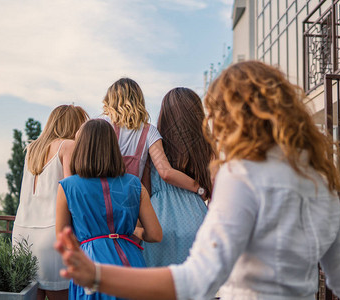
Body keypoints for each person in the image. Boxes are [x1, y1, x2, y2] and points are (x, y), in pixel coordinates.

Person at [55, 61, 340, 300]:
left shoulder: (242, 175)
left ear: (235, 117)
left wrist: (97, 275)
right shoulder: (319, 180)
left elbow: (197, 280)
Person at [55, 119, 162, 300]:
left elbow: (62, 238)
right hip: (132, 265)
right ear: (113, 147)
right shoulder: (134, 184)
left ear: (81, 148)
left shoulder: (67, 187)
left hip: (91, 266)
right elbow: (155, 234)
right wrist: (134, 231)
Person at [12, 104, 89, 300]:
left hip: (22, 235)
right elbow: (71, 189)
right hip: (53, 233)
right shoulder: (67, 146)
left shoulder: (31, 148)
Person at [143, 87, 214, 267]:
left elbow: (145, 188)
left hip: (158, 222)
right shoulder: (206, 148)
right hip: (197, 220)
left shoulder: (154, 145)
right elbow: (213, 194)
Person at [102, 78, 207, 198]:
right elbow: (166, 172)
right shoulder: (149, 132)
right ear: (139, 100)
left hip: (101, 198)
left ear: (110, 100)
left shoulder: (101, 125)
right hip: (129, 203)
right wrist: (198, 188)